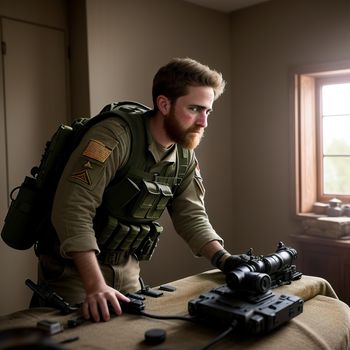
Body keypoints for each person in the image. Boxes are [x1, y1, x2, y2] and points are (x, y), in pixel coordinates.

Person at [34, 57, 244, 322]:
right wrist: (95, 286)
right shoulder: (113, 136)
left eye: (208, 111)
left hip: (127, 269)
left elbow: (191, 215)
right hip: (74, 273)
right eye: (195, 109)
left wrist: (224, 260)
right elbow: (72, 209)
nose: (203, 122)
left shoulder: (183, 154)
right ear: (164, 104)